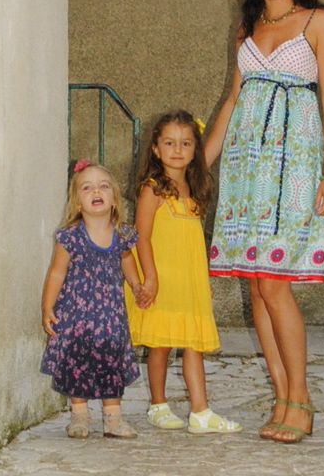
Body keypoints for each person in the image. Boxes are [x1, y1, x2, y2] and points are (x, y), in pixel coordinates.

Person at [205, 0, 324, 444]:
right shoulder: (247, 26)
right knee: (256, 286)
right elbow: (232, 102)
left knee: (274, 284)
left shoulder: (318, 21)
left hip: (295, 167)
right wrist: (196, 169)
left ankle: (301, 398)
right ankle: (283, 396)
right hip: (246, 169)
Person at [125, 110, 242, 434]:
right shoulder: (153, 189)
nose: (177, 149)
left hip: (188, 281)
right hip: (161, 279)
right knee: (160, 344)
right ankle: (158, 406)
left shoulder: (194, 187)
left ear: (195, 150)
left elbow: (192, 241)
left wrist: (201, 280)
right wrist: (150, 278)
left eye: (186, 143)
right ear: (155, 148)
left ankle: (200, 412)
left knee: (194, 343)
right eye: (169, 143)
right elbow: (141, 236)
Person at [41, 159, 151, 439]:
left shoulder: (122, 235)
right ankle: (79, 417)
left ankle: (113, 420)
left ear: (114, 198)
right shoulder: (70, 237)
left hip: (110, 317)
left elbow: (127, 261)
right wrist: (47, 307)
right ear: (77, 202)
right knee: (77, 364)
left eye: (103, 186)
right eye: (87, 188)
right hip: (76, 316)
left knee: (111, 363)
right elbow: (56, 273)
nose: (96, 191)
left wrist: (136, 284)